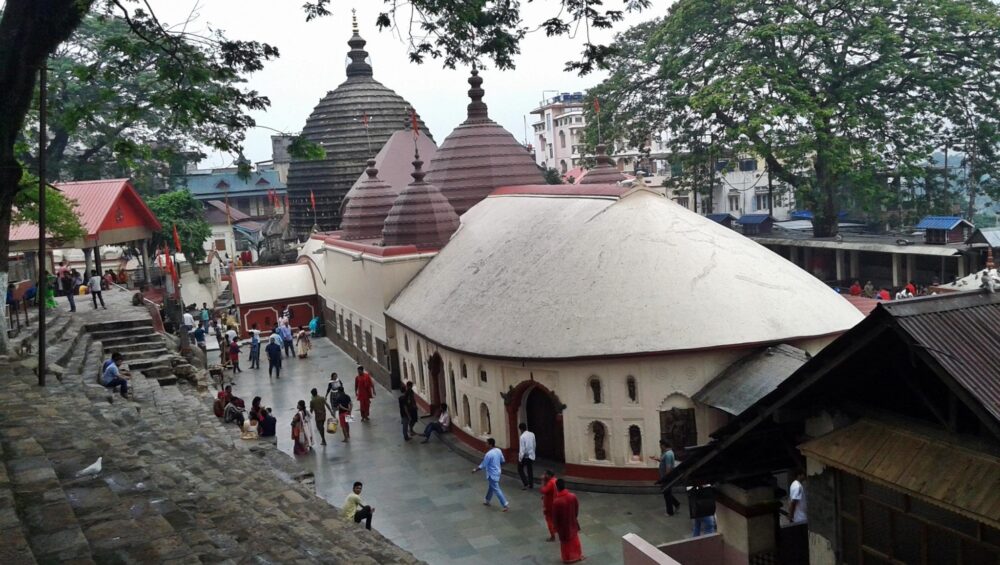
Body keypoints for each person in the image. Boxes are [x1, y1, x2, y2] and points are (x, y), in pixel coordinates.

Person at [472, 437, 509, 511]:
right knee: (491, 487)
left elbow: (483, 465)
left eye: (487, 443)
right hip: (497, 472)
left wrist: (475, 470)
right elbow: (502, 460)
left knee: (496, 489)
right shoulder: (498, 450)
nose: (486, 444)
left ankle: (505, 504)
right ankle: (487, 500)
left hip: (492, 474)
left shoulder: (488, 454)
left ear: (490, 444)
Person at [552, 479, 584, 563]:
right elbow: (576, 509)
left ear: (557, 488)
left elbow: (555, 517)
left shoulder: (556, 501)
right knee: (575, 540)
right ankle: (577, 555)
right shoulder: (572, 496)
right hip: (572, 522)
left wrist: (555, 527)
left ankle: (567, 558)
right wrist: (573, 517)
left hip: (562, 526)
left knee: (565, 543)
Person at [650, 439, 680, 515]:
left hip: (667, 477)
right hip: (665, 476)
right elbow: (663, 460)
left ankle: (670, 512)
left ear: (663, 445)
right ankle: (676, 504)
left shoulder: (668, 454)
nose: (660, 447)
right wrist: (655, 458)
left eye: (660, 445)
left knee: (666, 494)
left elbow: (668, 467)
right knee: (667, 492)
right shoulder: (667, 453)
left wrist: (665, 479)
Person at [540, 470, 558, 541]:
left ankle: (552, 536)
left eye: (545, 474)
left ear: (549, 475)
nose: (544, 476)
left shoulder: (550, 483)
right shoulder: (555, 480)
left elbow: (543, 490)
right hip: (556, 502)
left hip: (550, 505)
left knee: (549, 519)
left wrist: (542, 481)